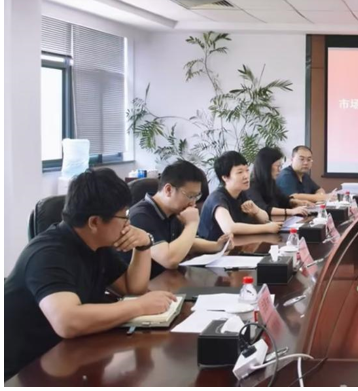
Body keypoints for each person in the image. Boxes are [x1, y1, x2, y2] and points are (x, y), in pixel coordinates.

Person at [4, 168, 177, 380]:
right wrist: (140, 306)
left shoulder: (95, 244)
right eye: (124, 217)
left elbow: (132, 288)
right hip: (24, 372)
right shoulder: (48, 254)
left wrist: (143, 245)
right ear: (94, 222)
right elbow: (67, 321)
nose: (128, 224)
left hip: (66, 357)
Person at [121, 160, 235, 279]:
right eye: (190, 196)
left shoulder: (173, 211)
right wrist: (192, 224)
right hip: (145, 285)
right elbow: (169, 260)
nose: (193, 203)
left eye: (196, 196)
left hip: (166, 280)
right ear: (168, 190)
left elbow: (185, 243)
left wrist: (217, 246)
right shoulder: (141, 216)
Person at [198, 151, 281, 241]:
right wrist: (267, 228)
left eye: (247, 170)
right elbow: (229, 228)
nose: (246, 176)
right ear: (225, 177)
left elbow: (265, 219)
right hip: (213, 248)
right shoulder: (217, 198)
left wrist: (256, 211)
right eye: (240, 172)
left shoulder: (241, 194)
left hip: (236, 244)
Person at [247, 147, 309, 219]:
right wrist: (292, 211)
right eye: (278, 166)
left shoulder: (271, 183)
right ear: (266, 166)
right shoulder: (251, 186)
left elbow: (283, 200)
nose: (279, 170)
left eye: (280, 166)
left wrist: (296, 202)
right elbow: (263, 209)